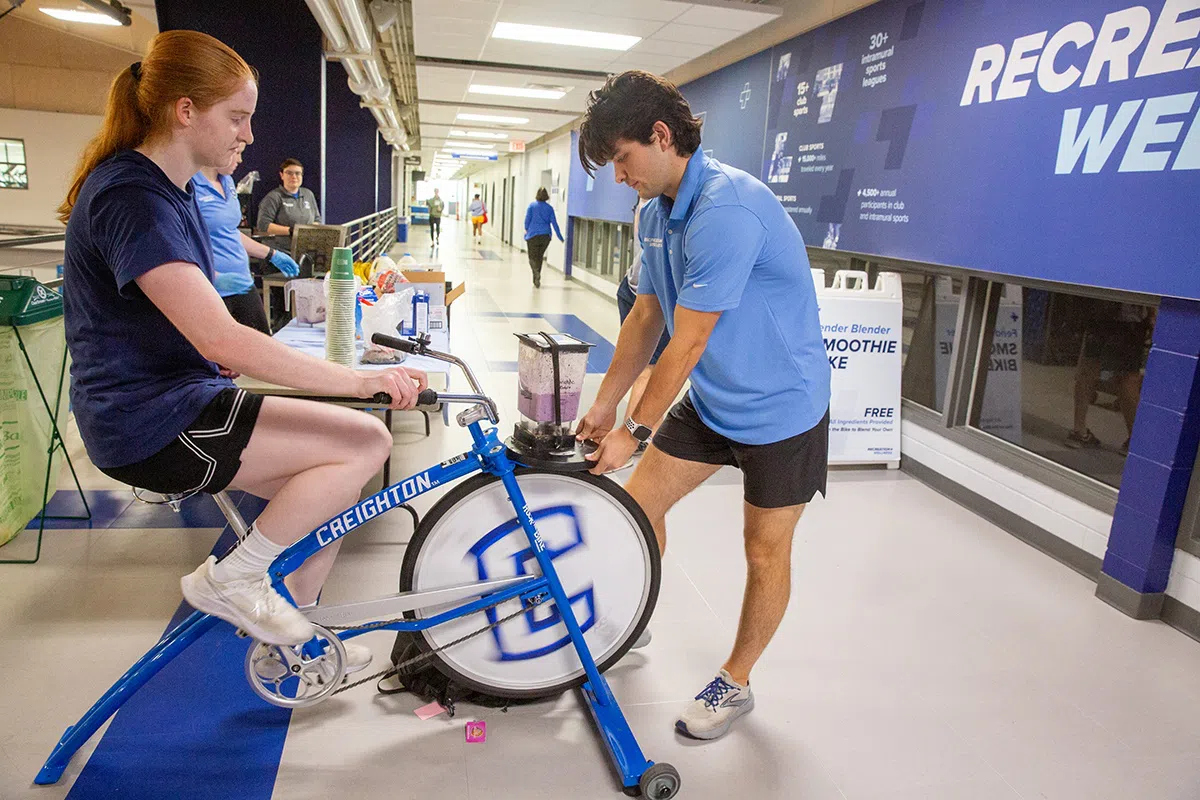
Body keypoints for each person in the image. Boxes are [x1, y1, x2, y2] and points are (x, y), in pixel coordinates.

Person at [58, 31, 426, 673]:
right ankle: (237, 578)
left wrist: (211, 355)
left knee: (327, 491)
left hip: (172, 398)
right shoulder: (133, 196)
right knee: (365, 442)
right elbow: (222, 335)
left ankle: (294, 646)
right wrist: (355, 380)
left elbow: (166, 319)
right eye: (236, 116)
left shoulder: (166, 190)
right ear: (184, 110)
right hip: (150, 421)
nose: (248, 134)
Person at [574, 71, 831, 740]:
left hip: (783, 408)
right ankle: (638, 613)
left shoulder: (726, 209)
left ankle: (736, 681)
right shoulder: (654, 213)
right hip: (716, 397)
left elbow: (686, 345)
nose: (619, 177)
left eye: (623, 159)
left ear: (661, 137)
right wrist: (604, 407)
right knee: (638, 506)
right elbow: (647, 318)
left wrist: (634, 427)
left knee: (763, 549)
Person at [195, 143, 299, 335]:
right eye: (237, 153)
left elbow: (229, 232)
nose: (240, 160)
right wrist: (211, 276)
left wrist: (271, 254)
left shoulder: (226, 181)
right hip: (212, 289)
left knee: (263, 344)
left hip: (241, 282)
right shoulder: (190, 185)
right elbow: (180, 241)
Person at [615, 196, 669, 461]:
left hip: (630, 286)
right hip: (650, 297)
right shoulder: (659, 207)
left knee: (642, 365)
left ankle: (649, 426)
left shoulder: (644, 207)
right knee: (650, 369)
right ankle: (635, 433)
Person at [1067, 299, 1151, 455]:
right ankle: (1135, 440)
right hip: (1129, 321)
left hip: (1100, 311)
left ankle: (1079, 431)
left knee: (1088, 370)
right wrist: (1152, 318)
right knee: (1127, 378)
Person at [256, 157, 320, 253]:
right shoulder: (273, 197)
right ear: (282, 175)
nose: (294, 176)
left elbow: (317, 219)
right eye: (289, 173)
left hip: (305, 251)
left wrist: (308, 232)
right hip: (279, 252)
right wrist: (291, 231)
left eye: (298, 173)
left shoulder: (308, 194)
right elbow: (263, 225)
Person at [522, 187, 563, 288]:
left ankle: (536, 274)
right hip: (545, 236)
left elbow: (527, 220)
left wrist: (526, 229)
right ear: (546, 196)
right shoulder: (549, 208)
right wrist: (560, 236)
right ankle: (536, 280)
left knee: (532, 257)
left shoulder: (532, 206)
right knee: (539, 257)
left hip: (532, 235)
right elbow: (554, 223)